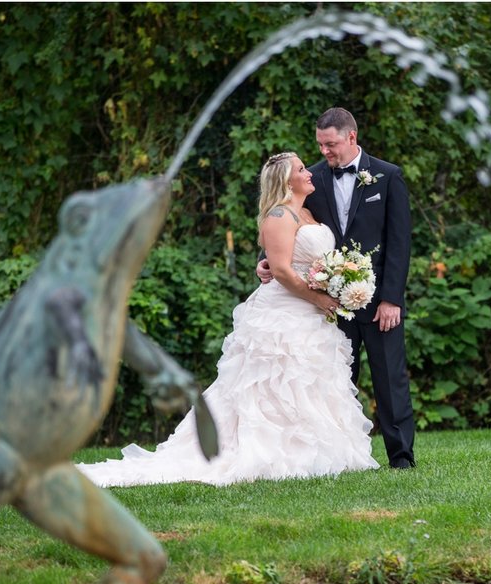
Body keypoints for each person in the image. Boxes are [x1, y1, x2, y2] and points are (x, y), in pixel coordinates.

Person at [77, 152, 380, 487]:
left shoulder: (306, 212)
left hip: (310, 312)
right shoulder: (279, 215)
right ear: (284, 180)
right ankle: (271, 452)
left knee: (311, 382)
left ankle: (321, 453)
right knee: (275, 384)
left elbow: (303, 261)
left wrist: (338, 281)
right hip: (284, 312)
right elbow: (279, 270)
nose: (309, 172)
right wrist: (319, 297)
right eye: (301, 169)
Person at [258, 108, 416, 469]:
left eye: (330, 145)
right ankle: (344, 457)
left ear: (351, 138)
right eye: (320, 144)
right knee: (336, 382)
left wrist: (392, 298)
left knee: (390, 378)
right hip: (327, 304)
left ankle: (402, 459)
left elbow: (399, 242)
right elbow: (286, 221)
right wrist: (264, 259)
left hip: (378, 301)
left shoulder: (388, 177)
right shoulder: (310, 179)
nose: (325, 152)